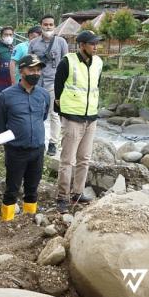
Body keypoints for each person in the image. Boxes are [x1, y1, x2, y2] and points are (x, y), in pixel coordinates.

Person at [54, 30, 103, 213]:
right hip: (72, 117)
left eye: (97, 43)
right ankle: (62, 197)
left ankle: (78, 192)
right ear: (82, 45)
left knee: (84, 158)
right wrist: (62, 113)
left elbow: (97, 86)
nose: (96, 47)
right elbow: (58, 89)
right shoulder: (67, 61)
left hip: (91, 117)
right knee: (67, 160)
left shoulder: (98, 62)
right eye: (92, 44)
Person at [0, 54, 50, 221]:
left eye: (38, 70)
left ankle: (29, 222)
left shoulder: (43, 95)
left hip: (37, 149)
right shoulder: (6, 96)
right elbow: (1, 125)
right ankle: (7, 222)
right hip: (16, 151)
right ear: (22, 71)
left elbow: (43, 117)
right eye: (31, 69)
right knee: (12, 189)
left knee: (32, 188)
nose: (36, 73)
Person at [28, 15, 69, 156]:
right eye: (45, 24)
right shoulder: (33, 44)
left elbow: (66, 63)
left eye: (51, 24)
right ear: (41, 25)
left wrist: (64, 84)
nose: (48, 27)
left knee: (54, 114)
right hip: (37, 83)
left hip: (54, 83)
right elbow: (29, 63)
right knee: (36, 113)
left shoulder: (61, 42)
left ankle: (53, 143)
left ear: (54, 25)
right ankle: (39, 141)